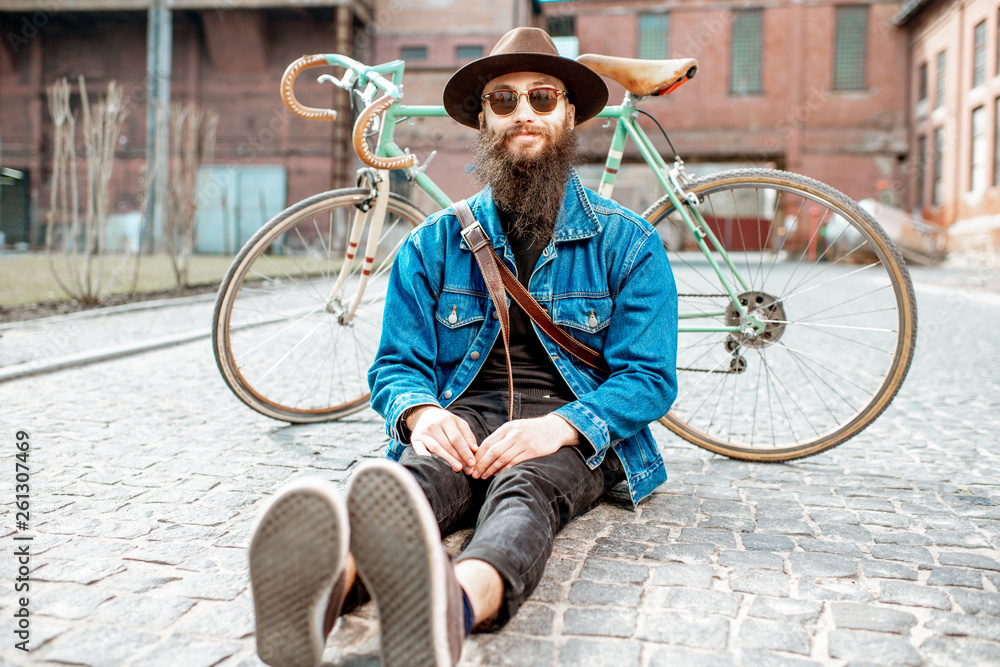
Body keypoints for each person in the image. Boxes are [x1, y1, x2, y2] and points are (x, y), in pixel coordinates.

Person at [248, 26, 678, 667]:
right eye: (503, 101)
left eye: (541, 97)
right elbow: (396, 365)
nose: (523, 113)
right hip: (465, 409)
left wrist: (558, 427)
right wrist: (423, 414)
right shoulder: (432, 244)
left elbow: (647, 378)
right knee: (413, 479)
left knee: (524, 493)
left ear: (568, 115)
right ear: (483, 120)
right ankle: (326, 592)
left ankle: (451, 608)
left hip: (571, 425)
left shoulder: (629, 242)